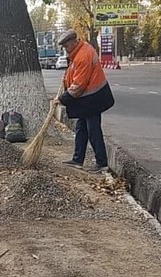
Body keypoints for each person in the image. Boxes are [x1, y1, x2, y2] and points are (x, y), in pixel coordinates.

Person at [55, 30, 115, 172]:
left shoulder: (83, 55)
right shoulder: (80, 50)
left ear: (72, 43)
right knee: (81, 128)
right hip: (87, 98)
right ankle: (77, 159)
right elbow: (73, 73)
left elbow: (78, 86)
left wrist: (62, 99)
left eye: (66, 46)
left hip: (93, 98)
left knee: (93, 130)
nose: (65, 50)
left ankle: (101, 163)